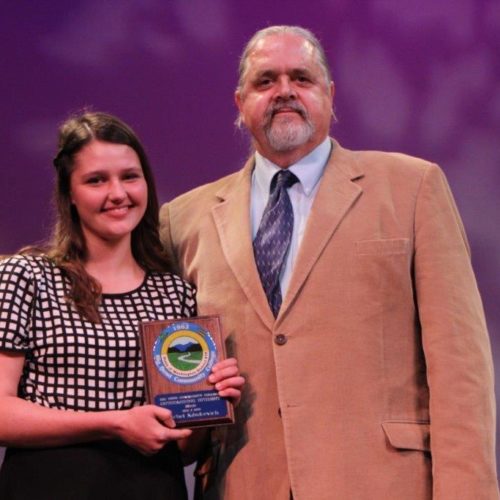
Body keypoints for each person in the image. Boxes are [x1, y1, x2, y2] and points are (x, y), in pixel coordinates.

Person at [160, 26, 499, 500]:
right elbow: (177, 376)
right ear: (240, 103)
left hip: (384, 485)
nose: (284, 92)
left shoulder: (412, 187)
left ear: (330, 95)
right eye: (265, 81)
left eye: (301, 78)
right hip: (244, 485)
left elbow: (460, 368)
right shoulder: (183, 220)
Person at [0, 111, 244, 500]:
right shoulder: (28, 276)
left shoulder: (174, 293)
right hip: (49, 486)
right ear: (70, 195)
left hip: (151, 488)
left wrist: (212, 401)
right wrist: (114, 423)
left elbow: (182, 450)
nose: (118, 193)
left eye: (129, 176)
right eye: (96, 180)